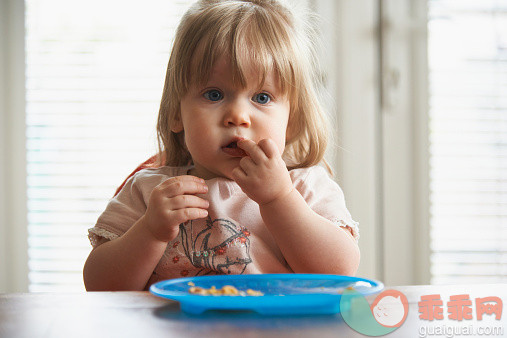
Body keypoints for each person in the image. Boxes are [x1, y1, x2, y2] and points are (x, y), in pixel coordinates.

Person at [83, 0, 360, 291]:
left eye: (262, 98)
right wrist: (150, 231)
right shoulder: (150, 191)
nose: (237, 116)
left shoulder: (304, 187)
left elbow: (340, 272)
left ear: (292, 120)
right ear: (177, 113)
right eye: (214, 94)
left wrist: (280, 199)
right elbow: (100, 286)